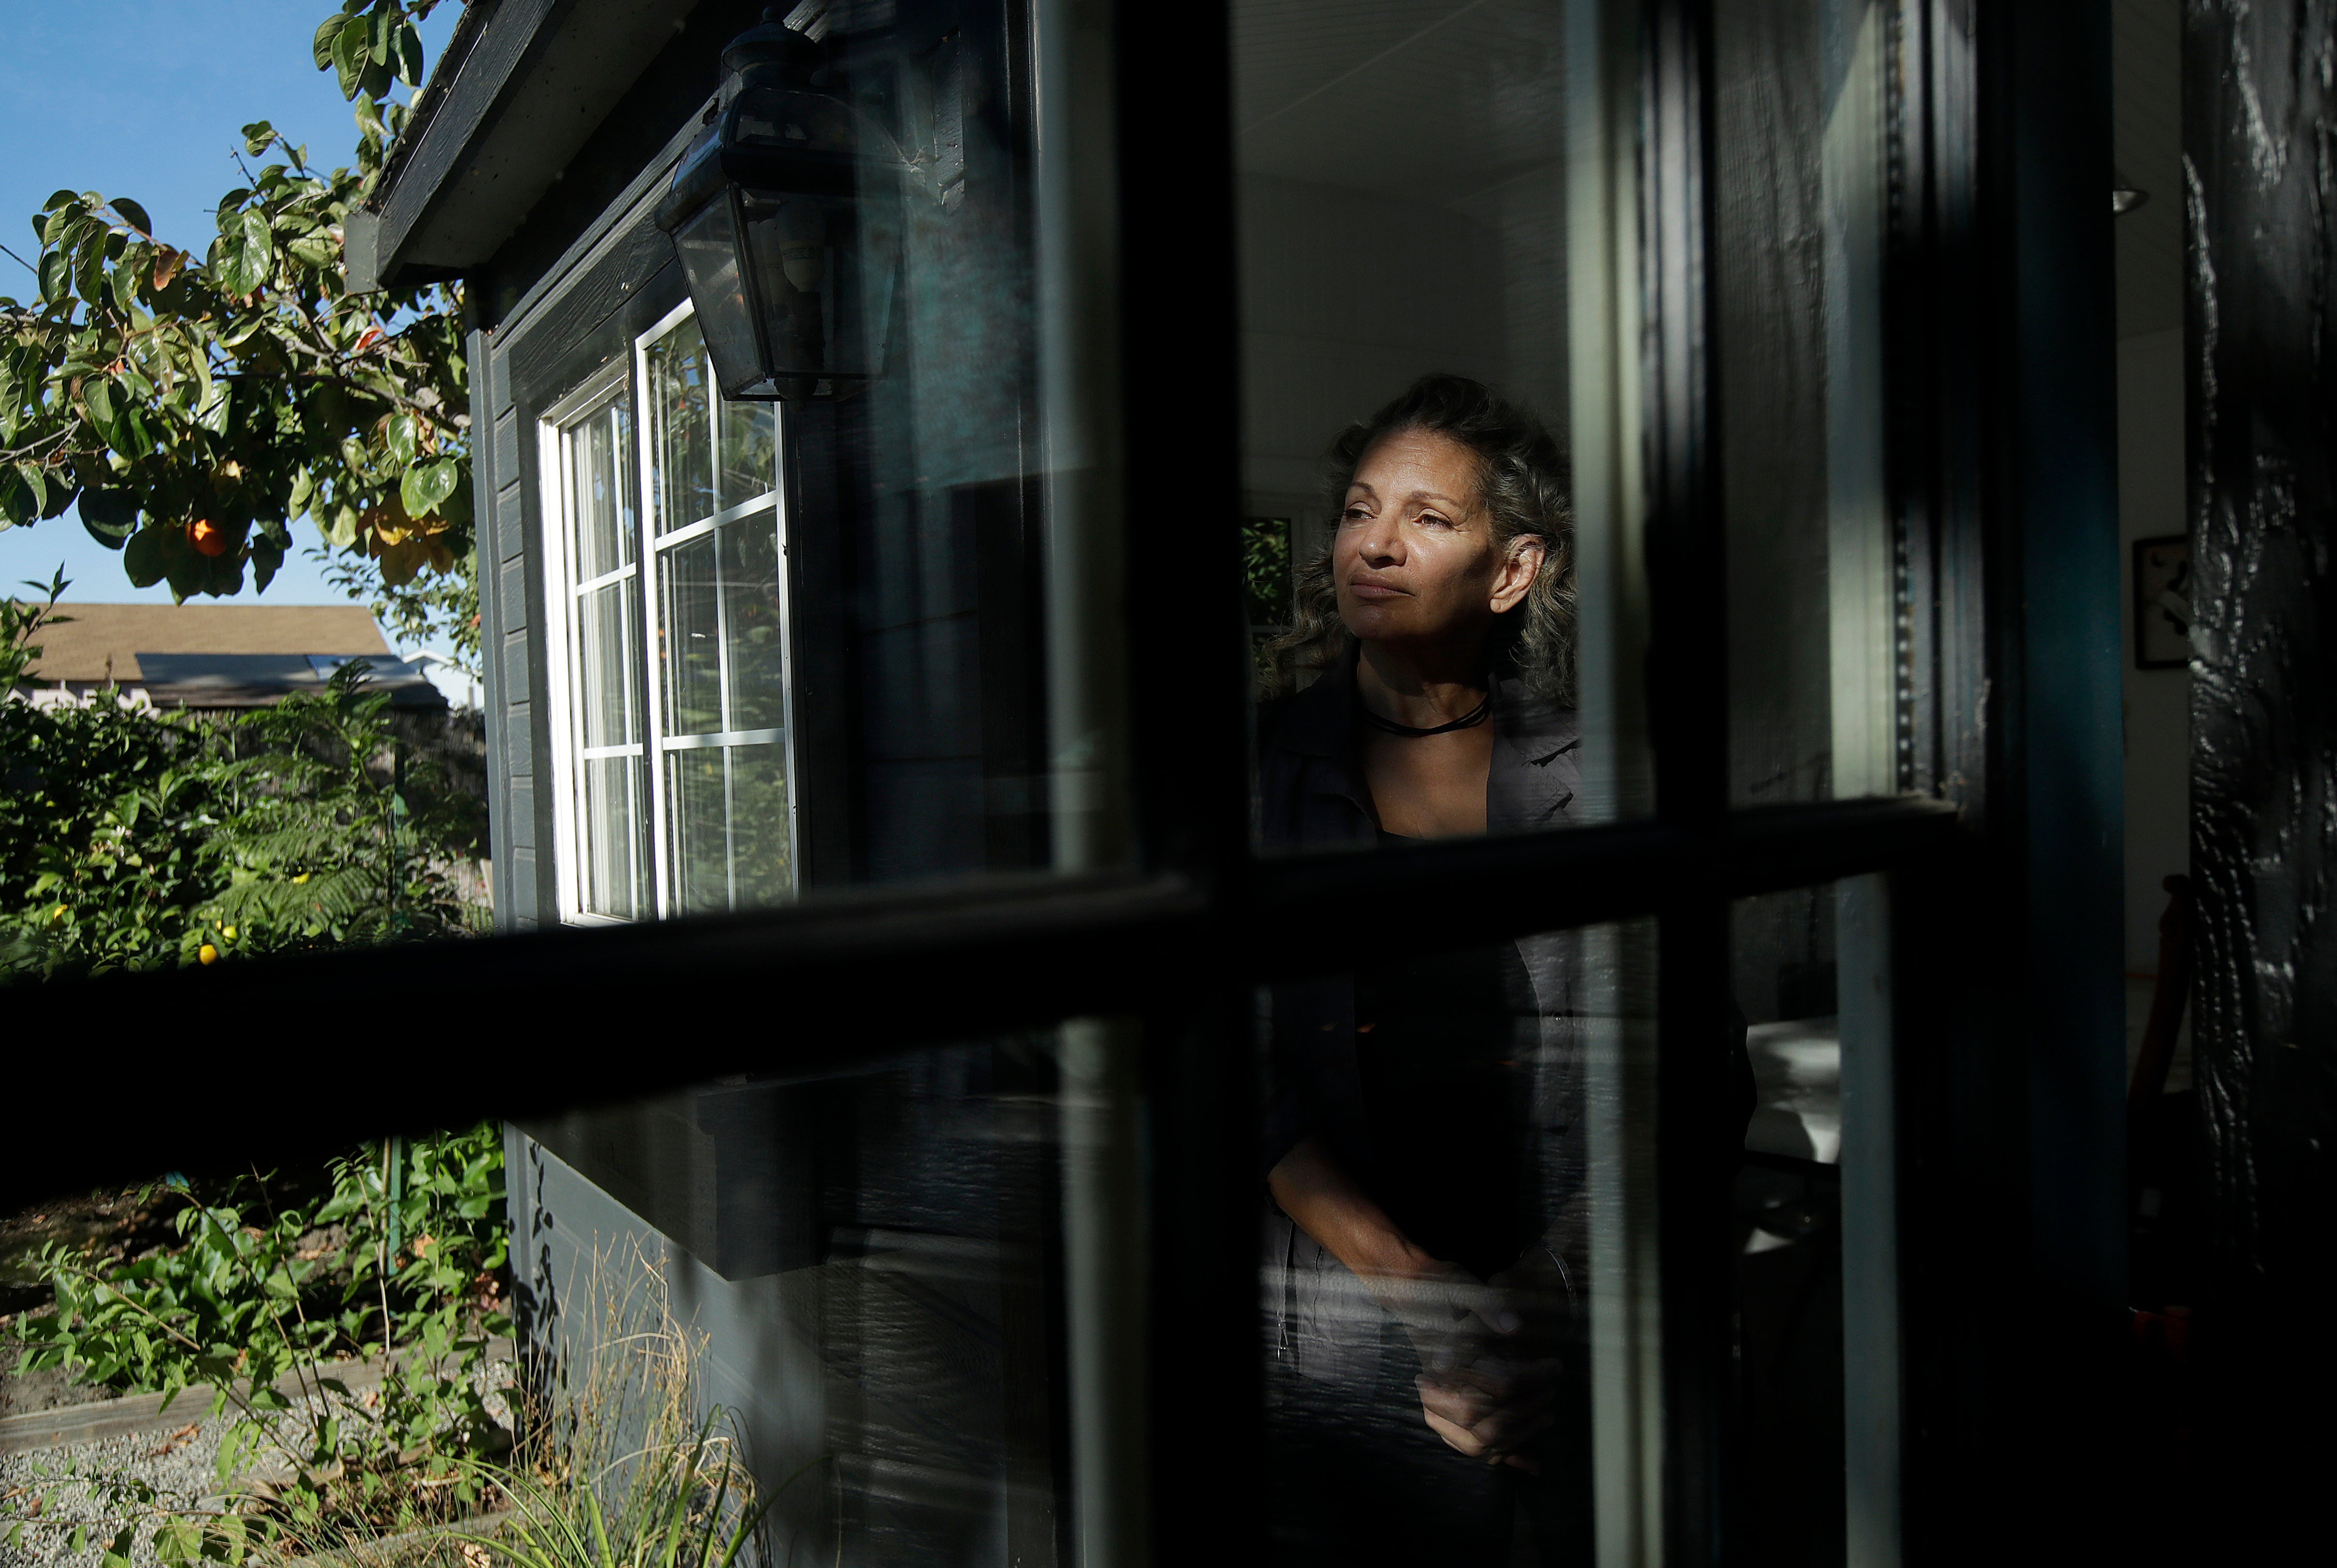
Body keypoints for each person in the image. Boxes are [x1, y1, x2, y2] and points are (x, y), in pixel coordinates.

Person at [1255, 372, 1591, 1564]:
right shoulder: (1257, 775)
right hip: (1341, 1317)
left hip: (1561, 1324)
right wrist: (1411, 1286)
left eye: (1428, 519)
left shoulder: (1596, 778)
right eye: (1356, 510)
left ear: (1512, 571)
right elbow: (1221, 1068)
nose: (1374, 545)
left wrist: (1536, 1300)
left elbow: (1678, 1075)